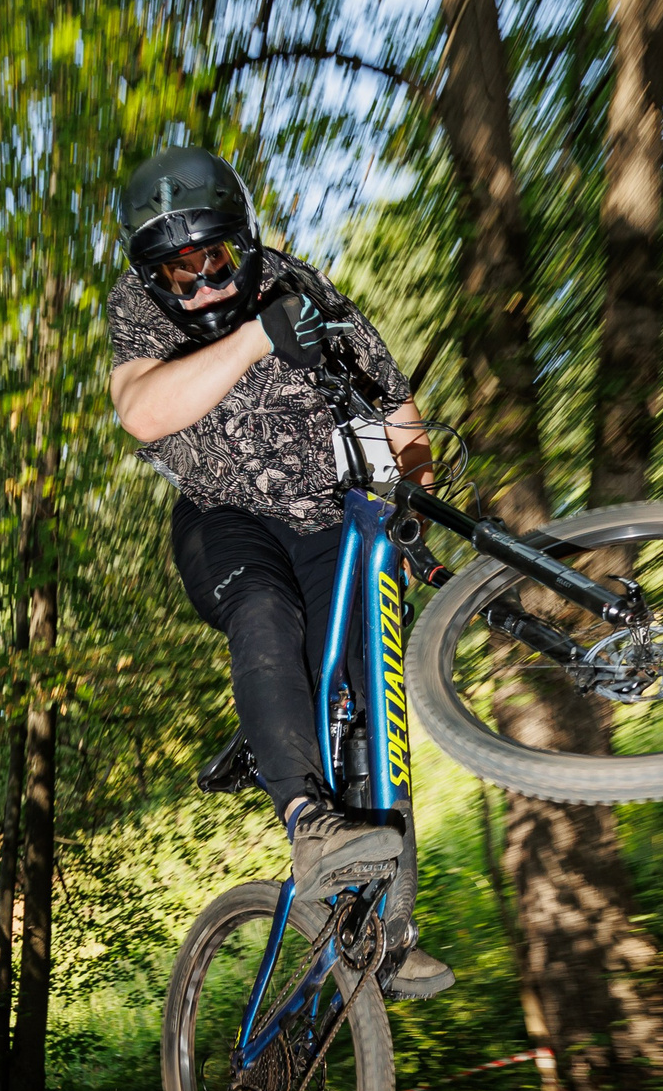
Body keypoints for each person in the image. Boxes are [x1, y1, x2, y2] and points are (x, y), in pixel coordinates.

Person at [105, 145, 451, 1000]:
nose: (202, 287)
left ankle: (385, 927)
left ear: (245, 239)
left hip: (328, 516)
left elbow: (400, 415)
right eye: (177, 273)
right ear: (152, 276)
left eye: (214, 259)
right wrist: (259, 338)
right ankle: (305, 815)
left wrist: (409, 504)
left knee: (371, 692)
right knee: (263, 610)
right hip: (223, 518)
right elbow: (142, 411)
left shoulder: (308, 291)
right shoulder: (139, 311)